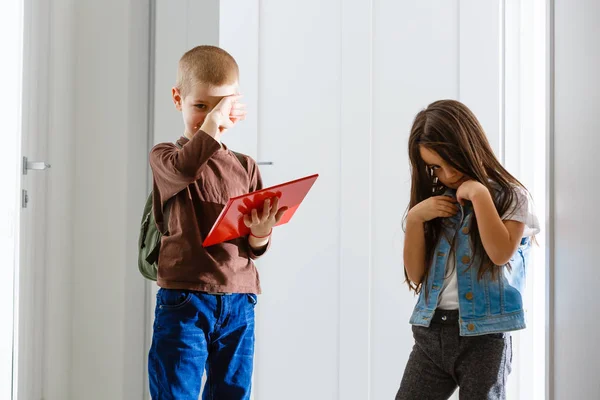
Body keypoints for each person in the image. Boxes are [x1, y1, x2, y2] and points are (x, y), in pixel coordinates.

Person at [147, 45, 286, 400]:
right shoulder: (166, 157)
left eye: (219, 106)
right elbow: (186, 169)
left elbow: (254, 249)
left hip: (239, 300)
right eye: (200, 106)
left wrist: (260, 233)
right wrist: (213, 123)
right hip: (186, 301)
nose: (209, 115)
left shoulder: (246, 165)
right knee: (177, 392)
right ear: (178, 98)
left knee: (233, 393)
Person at [396, 99, 540, 400]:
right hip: (431, 332)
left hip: (484, 337)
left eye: (450, 162)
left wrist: (479, 194)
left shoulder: (511, 196)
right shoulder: (436, 203)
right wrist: (414, 219)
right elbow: (416, 273)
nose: (446, 175)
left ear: (467, 146)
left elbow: (500, 254)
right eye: (436, 167)